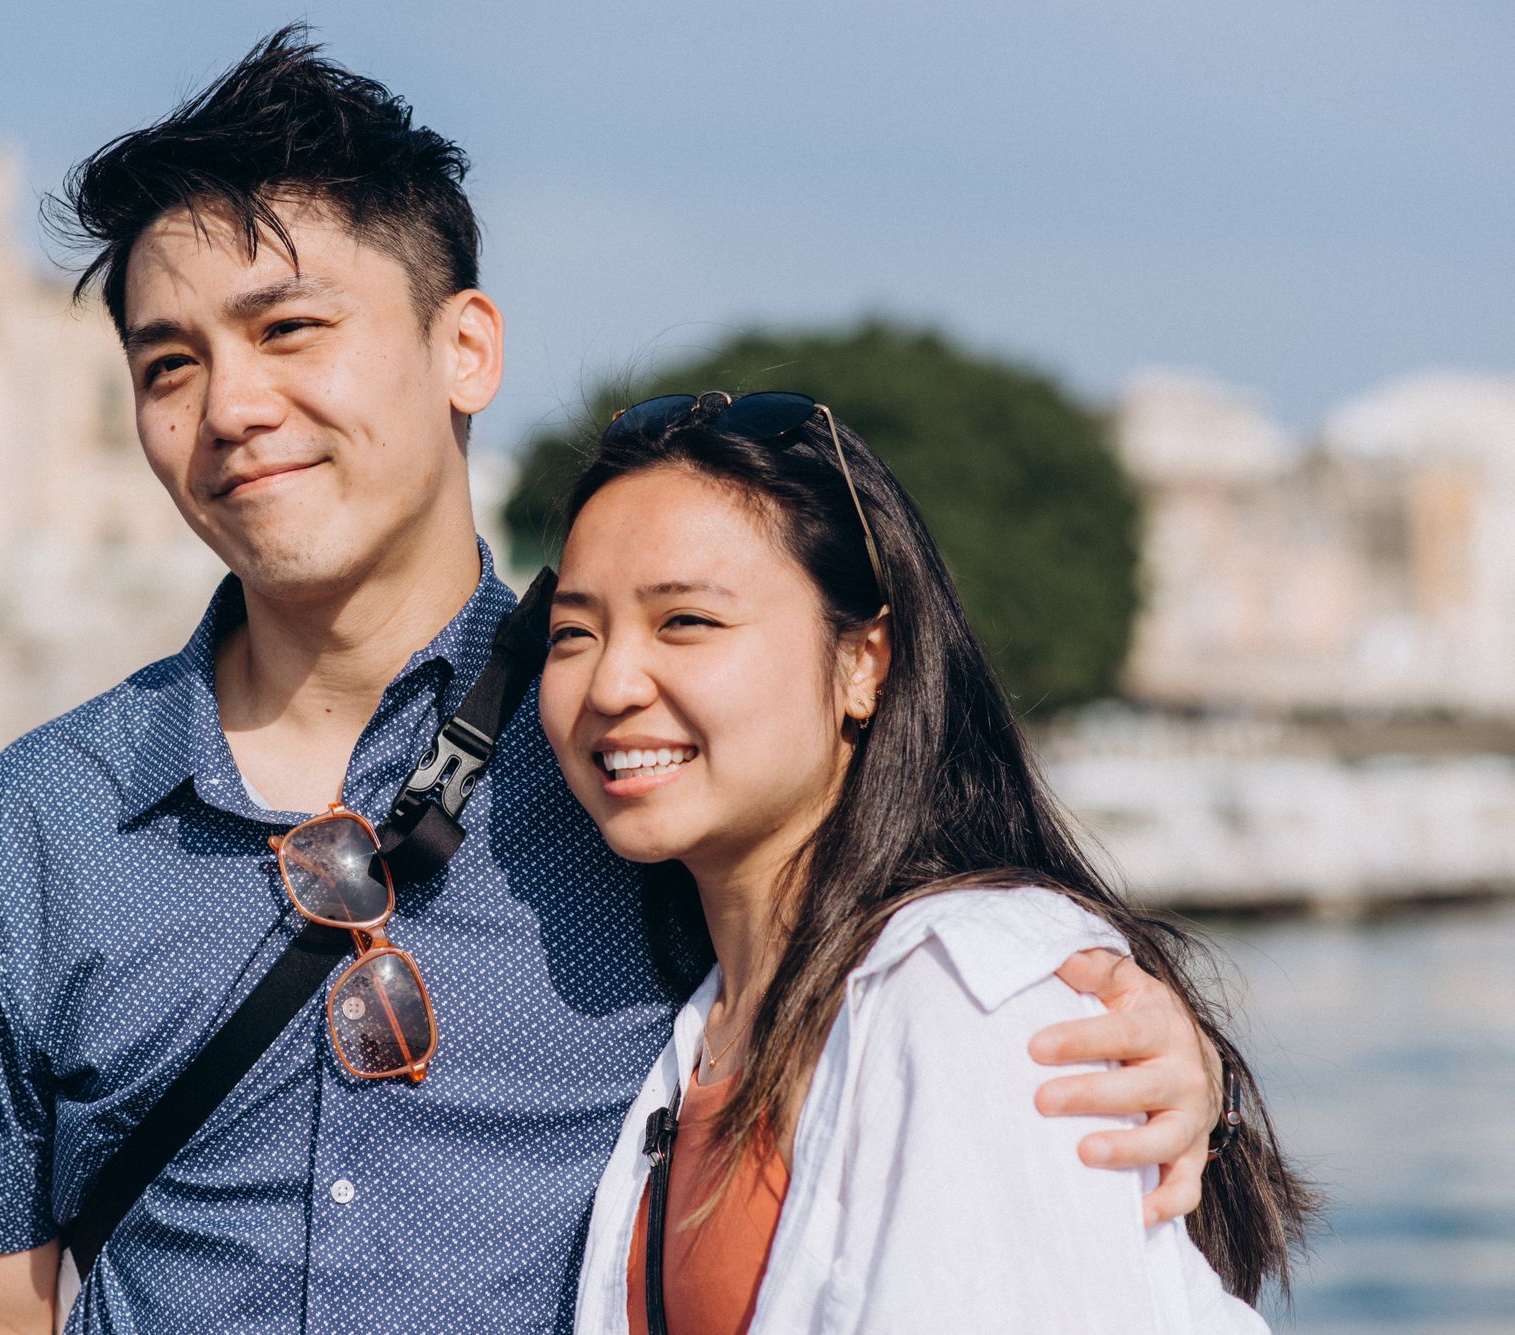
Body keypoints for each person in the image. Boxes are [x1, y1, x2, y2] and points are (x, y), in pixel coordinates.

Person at [0, 29, 1228, 1333]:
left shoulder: (632, 759)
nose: (230, 408)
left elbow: (882, 949)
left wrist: (1141, 1039)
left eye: (289, 330)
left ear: (468, 349)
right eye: (171, 363)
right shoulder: (39, 820)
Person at [539, 392, 1317, 1333]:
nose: (613, 683)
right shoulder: (703, 1029)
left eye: (687, 622)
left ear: (865, 660)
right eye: (573, 633)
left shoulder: (970, 988)